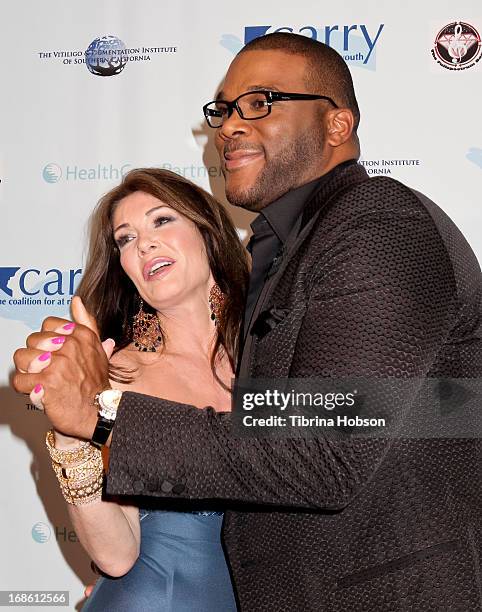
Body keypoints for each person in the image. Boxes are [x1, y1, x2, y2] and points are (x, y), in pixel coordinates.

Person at [13, 33, 481, 611]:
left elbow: (326, 447)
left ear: (337, 125)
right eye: (224, 109)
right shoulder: (284, 255)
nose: (230, 125)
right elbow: (280, 435)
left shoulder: (375, 220)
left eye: (261, 102)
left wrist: (99, 413)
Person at [35, 168, 247, 611]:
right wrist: (74, 436)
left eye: (161, 221)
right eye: (126, 239)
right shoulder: (117, 378)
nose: (143, 243)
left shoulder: (274, 354)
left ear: (207, 233)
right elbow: (115, 555)